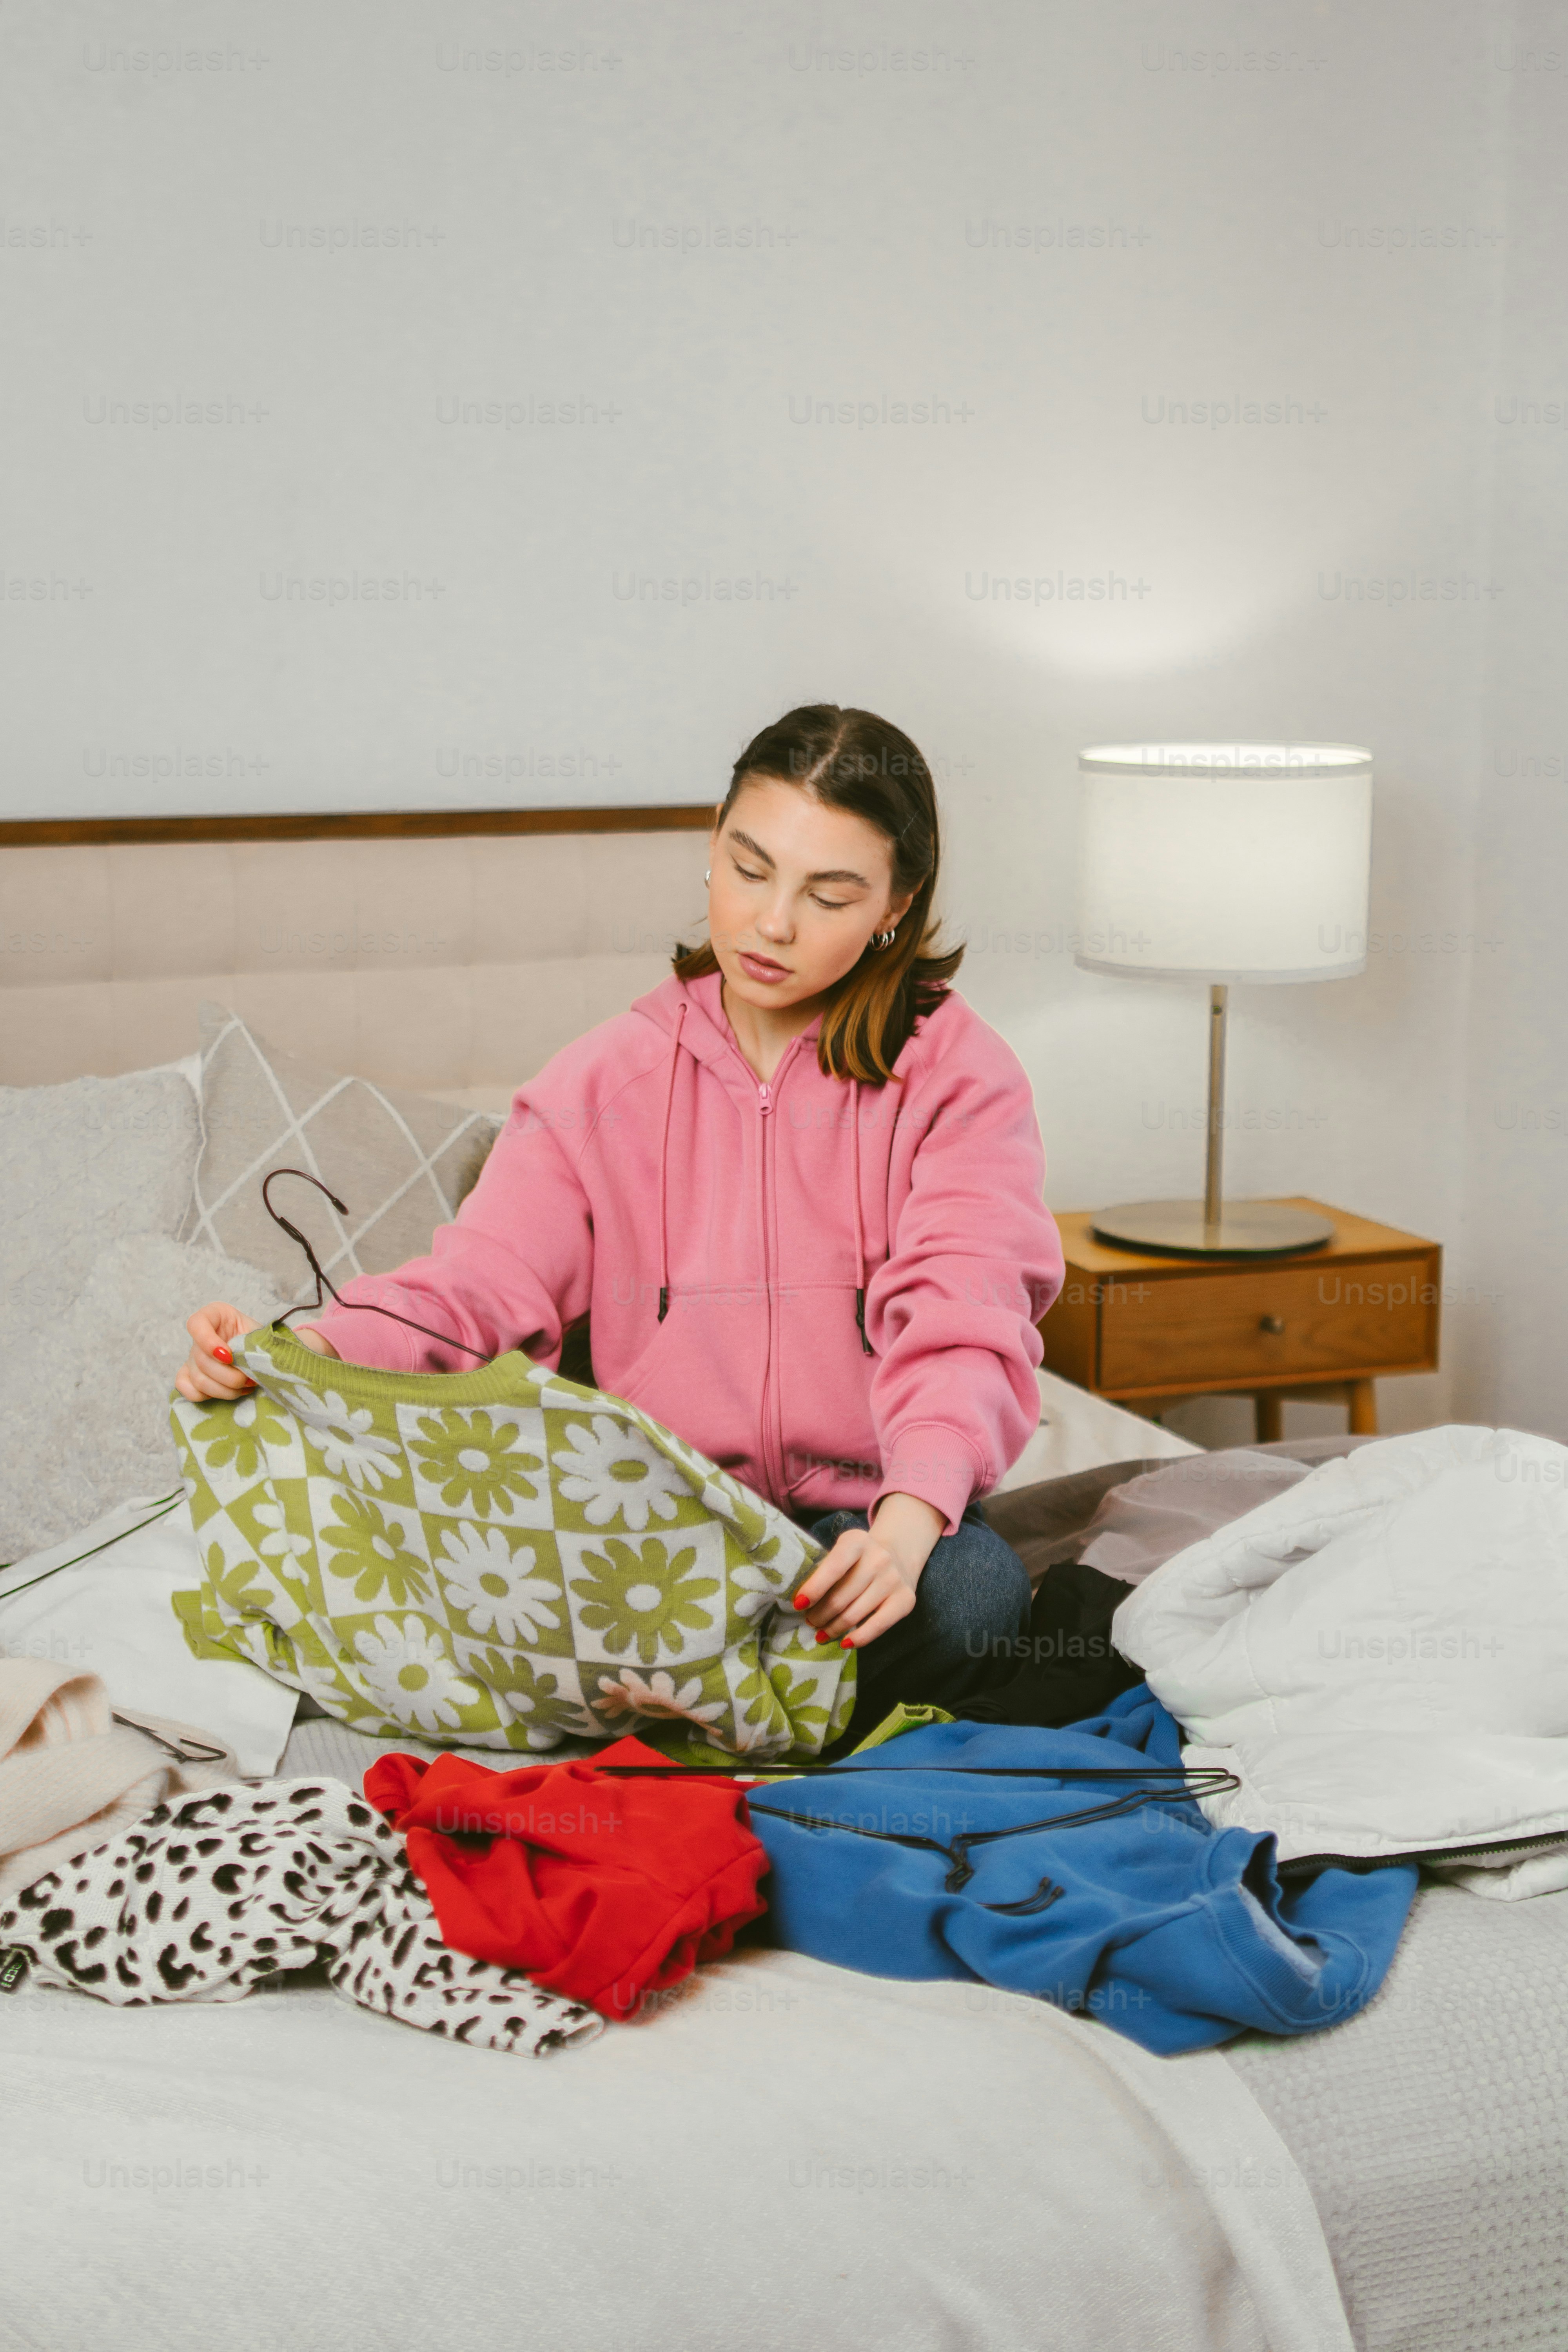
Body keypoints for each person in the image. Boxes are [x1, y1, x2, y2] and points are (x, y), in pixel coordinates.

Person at [177, 703, 1065, 1742]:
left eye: (830, 895)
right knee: (487, 1572)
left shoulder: (958, 1075)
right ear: (710, 852)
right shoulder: (606, 1077)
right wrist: (300, 1348)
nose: (772, 924)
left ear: (896, 906)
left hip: (866, 1514)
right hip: (663, 1521)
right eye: (749, 868)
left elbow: (965, 1312)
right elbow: (478, 1288)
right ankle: (731, 1702)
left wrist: (909, 1524)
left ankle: (688, 1706)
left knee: (975, 1602)